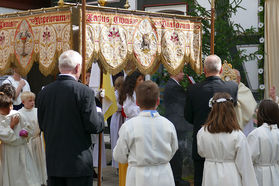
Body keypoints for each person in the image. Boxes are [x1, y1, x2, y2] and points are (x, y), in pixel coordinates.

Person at [37, 50, 105, 186]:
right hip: (78, 164)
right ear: (78, 68)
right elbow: (94, 126)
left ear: (59, 68)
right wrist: (99, 114)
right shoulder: (84, 91)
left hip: (54, 162)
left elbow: (42, 125)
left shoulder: (45, 92)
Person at [184, 55, 238, 186]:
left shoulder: (193, 89)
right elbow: (233, 112)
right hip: (227, 141)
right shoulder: (232, 87)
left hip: (202, 140)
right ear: (221, 71)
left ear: (204, 70)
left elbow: (188, 116)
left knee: (200, 179)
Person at [113, 80, 178, 186]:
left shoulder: (129, 126)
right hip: (163, 175)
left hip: (138, 177)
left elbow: (119, 155)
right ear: (158, 101)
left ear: (137, 102)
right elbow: (173, 148)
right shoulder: (168, 125)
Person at [197, 92, 258, 186]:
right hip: (231, 175)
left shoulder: (202, 132)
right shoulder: (238, 135)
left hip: (210, 174)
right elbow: (245, 166)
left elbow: (201, 152)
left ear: (212, 109)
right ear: (231, 110)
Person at [0, 91, 40, 186]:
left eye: (11, 106)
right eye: (7, 107)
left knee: (26, 173)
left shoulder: (17, 114)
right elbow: (5, 136)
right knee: (13, 174)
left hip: (22, 148)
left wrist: (26, 132)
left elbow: (28, 126)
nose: (10, 109)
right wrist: (12, 125)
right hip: (9, 151)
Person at [164, 71, 191, 186]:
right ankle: (176, 178)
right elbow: (183, 101)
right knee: (177, 151)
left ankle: (177, 177)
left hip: (177, 121)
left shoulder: (173, 85)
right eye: (181, 71)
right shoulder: (173, 86)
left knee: (178, 151)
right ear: (174, 72)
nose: (184, 74)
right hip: (177, 122)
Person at [117, 70, 144, 186]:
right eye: (140, 80)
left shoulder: (142, 92)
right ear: (134, 81)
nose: (142, 81)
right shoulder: (129, 93)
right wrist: (142, 110)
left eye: (143, 79)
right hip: (132, 124)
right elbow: (128, 110)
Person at [247, 99, 279, 186]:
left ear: (261, 114)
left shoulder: (255, 134)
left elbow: (248, 160)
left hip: (260, 175)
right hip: (276, 173)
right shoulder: (277, 133)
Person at [18, 91, 47, 186]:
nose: (32, 103)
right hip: (27, 142)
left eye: (33, 100)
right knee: (31, 163)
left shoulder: (37, 111)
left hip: (38, 140)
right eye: (30, 101)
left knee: (40, 160)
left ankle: (42, 179)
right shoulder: (19, 114)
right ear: (23, 102)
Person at [110, 76, 124, 170]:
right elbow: (116, 106)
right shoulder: (115, 94)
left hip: (123, 117)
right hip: (117, 117)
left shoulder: (125, 94)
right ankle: (116, 165)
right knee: (116, 139)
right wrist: (124, 107)